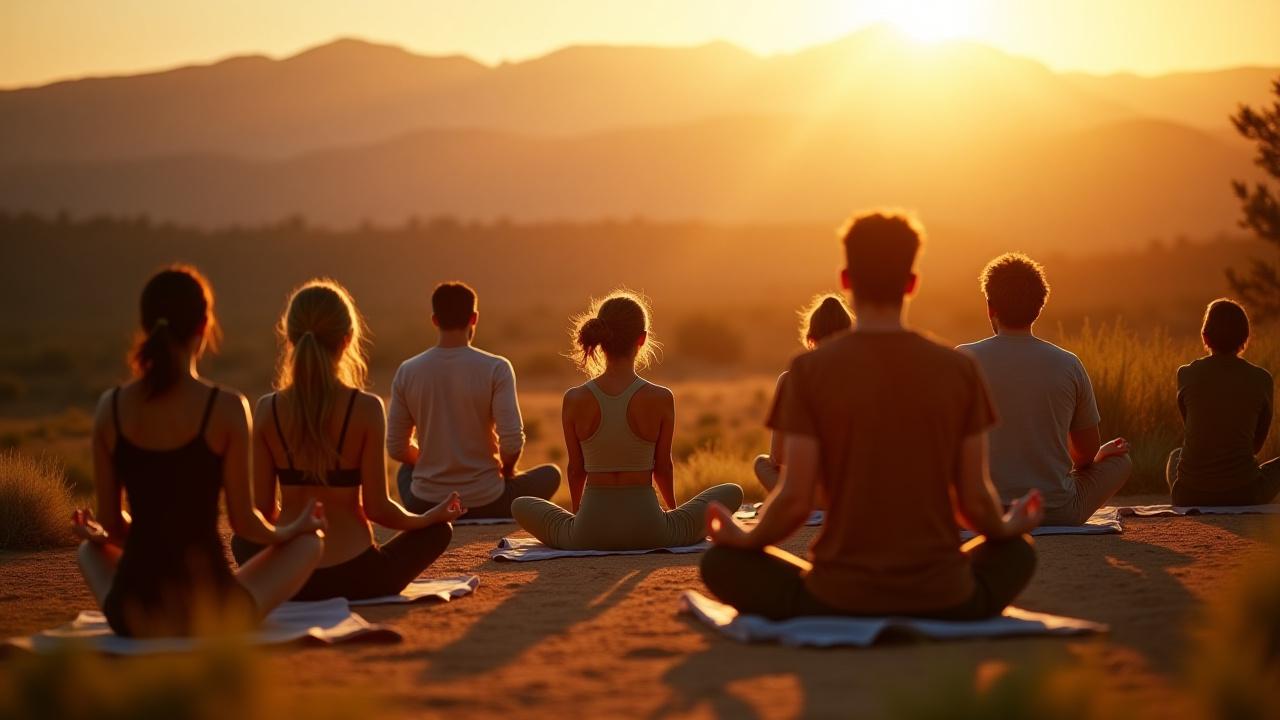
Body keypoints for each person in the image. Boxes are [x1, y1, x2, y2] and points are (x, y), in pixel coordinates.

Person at [700, 212, 1043, 621]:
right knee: (1018, 551)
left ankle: (818, 607)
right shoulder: (959, 369)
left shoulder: (808, 372)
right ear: (912, 283)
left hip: (837, 597)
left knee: (719, 564)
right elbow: (973, 501)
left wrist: (746, 538)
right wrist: (1009, 528)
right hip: (944, 595)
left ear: (846, 281)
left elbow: (794, 500)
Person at [71, 266, 327, 638]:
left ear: (145, 326)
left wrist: (98, 532)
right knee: (308, 544)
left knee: (89, 551)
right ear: (204, 325)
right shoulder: (226, 408)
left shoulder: (109, 409)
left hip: (135, 612)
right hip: (212, 613)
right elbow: (245, 524)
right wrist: (293, 529)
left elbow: (112, 527)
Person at [231, 280, 464, 601]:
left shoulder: (267, 408)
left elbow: (263, 512)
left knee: (241, 542)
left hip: (290, 578)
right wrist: (428, 518)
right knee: (439, 531)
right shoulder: (365, 408)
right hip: (359, 575)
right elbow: (378, 508)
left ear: (290, 339)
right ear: (348, 340)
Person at [511, 291, 743, 550]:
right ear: (642, 340)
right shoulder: (660, 397)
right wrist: (673, 517)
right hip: (651, 531)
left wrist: (579, 518)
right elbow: (663, 467)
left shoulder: (574, 398)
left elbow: (576, 470)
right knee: (732, 491)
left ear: (601, 340)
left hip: (588, 533)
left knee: (520, 505)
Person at [957, 253, 1131, 526]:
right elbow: (1084, 456)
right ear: (1039, 308)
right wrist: (1099, 455)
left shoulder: (962, 360)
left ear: (990, 307)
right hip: (1055, 510)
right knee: (1121, 462)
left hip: (976, 513)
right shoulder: (1068, 363)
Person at [390, 282, 561, 518]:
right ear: (474, 318)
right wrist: (506, 471)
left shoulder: (407, 371)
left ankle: (443, 510)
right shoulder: (495, 368)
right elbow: (512, 443)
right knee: (551, 474)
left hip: (427, 503)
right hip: (488, 500)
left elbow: (397, 448)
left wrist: (431, 461)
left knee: (404, 472)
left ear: (435, 320)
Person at [1167, 298, 1279, 506]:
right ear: (1245, 338)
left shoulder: (1186, 374)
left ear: (1205, 337)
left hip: (1189, 494)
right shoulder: (1262, 379)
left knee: (1175, 456)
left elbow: (1195, 431)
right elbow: (1255, 446)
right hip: (1246, 493)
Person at [754, 294, 852, 493]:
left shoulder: (792, 378)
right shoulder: (860, 376)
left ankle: (799, 503)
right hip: (849, 491)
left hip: (806, 494)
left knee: (762, 464)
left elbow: (778, 457)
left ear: (811, 337)